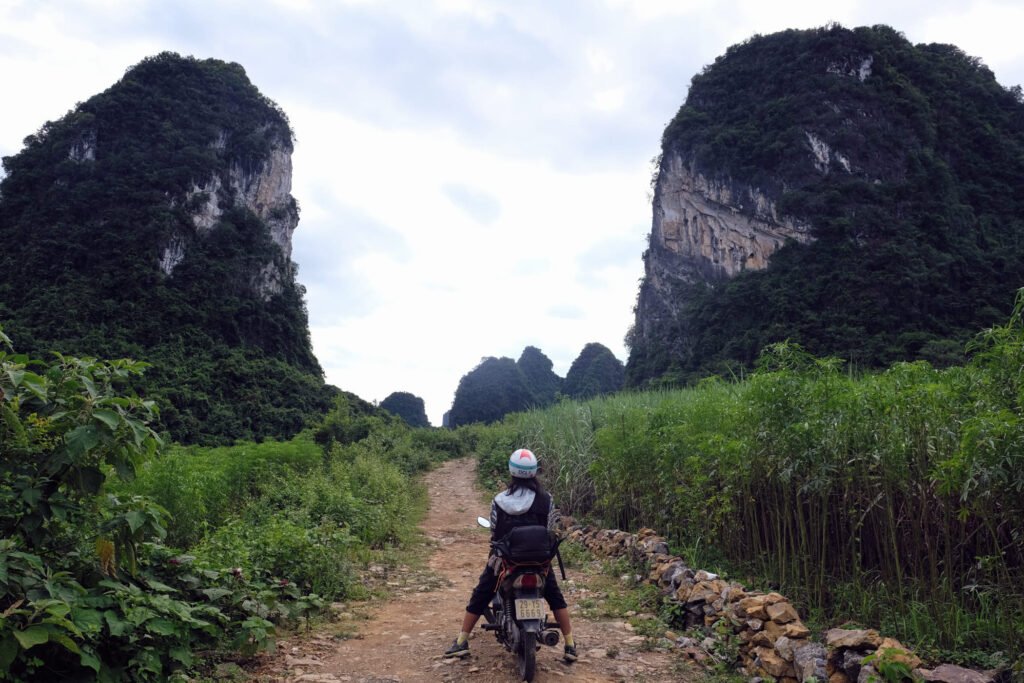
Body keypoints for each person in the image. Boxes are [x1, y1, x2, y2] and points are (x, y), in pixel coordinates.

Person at [444, 448, 577, 662]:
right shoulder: (546, 499)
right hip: (539, 562)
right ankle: (570, 645)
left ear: (511, 471)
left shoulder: (500, 500)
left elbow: (494, 532)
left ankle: (461, 641)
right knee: (555, 597)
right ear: (534, 471)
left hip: (508, 562)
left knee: (481, 594)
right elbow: (552, 529)